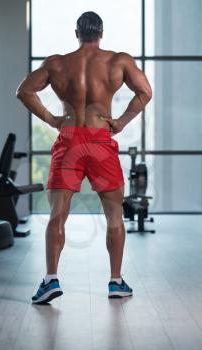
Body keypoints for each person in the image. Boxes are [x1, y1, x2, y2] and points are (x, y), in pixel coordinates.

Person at [16, 11, 152, 304]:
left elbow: (24, 91)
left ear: (76, 32)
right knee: (115, 217)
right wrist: (122, 122)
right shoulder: (119, 61)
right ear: (101, 32)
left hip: (69, 140)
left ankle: (51, 279)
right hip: (101, 141)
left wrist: (53, 119)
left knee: (57, 216)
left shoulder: (57, 63)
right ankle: (116, 282)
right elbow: (145, 92)